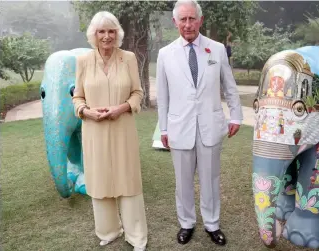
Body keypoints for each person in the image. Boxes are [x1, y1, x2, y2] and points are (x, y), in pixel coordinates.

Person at [156, 0, 243, 246]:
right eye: (182, 19)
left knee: (210, 178)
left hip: (211, 126)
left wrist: (235, 115)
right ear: (175, 22)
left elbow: (229, 85)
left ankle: (212, 224)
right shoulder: (165, 54)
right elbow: (163, 97)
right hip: (179, 127)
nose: (188, 24)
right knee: (182, 181)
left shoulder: (216, 49)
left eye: (192, 18)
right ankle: (186, 223)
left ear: (200, 20)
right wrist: (163, 128)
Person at [72, 11, 147, 251]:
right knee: (100, 179)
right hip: (94, 131)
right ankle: (108, 231)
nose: (106, 36)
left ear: (118, 34)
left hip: (123, 128)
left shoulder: (129, 58)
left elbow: (138, 93)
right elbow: (77, 97)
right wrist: (85, 111)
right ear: (93, 35)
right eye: (101, 31)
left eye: (111, 31)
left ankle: (136, 236)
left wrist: (121, 108)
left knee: (128, 179)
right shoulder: (83, 61)